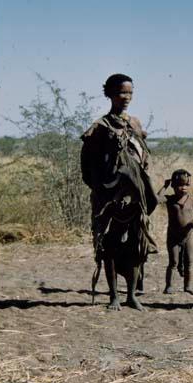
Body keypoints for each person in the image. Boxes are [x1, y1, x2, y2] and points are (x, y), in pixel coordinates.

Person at [80, 73, 158, 309]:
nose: (126, 97)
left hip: (135, 197)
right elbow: (88, 165)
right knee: (110, 247)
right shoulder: (100, 127)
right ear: (110, 94)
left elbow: (143, 157)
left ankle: (132, 295)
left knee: (136, 246)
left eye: (130, 93)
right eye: (122, 93)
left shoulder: (135, 123)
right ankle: (114, 296)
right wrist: (105, 188)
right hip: (110, 199)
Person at [158, 169, 193, 295]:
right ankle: (169, 286)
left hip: (188, 236)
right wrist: (164, 186)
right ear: (173, 186)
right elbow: (156, 199)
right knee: (173, 262)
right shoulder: (170, 199)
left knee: (189, 262)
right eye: (180, 185)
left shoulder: (191, 199)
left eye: (186, 185)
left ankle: (188, 286)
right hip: (173, 237)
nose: (183, 188)